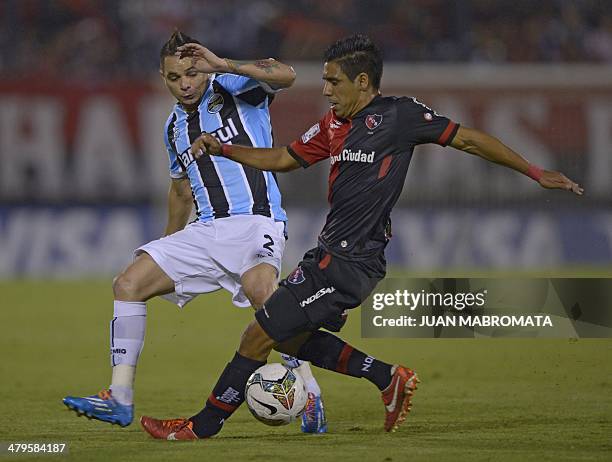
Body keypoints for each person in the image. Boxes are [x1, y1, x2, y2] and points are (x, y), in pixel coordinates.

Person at [139, 34, 583, 440]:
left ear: (363, 81)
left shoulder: (399, 116)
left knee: (257, 335)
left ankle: (201, 427)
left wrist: (535, 171)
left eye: (333, 82)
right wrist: (225, 148)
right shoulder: (331, 126)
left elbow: (468, 140)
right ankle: (387, 378)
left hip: (353, 261)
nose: (326, 91)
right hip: (327, 254)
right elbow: (282, 158)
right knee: (288, 337)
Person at [63, 31, 328, 434]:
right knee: (128, 283)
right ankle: (119, 397)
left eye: (191, 72)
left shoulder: (235, 86)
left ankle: (309, 393)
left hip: (257, 220)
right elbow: (181, 190)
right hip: (206, 231)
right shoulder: (173, 127)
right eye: (174, 77)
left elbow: (286, 74)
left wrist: (222, 63)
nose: (185, 83)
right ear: (162, 77)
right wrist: (166, 244)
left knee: (266, 299)